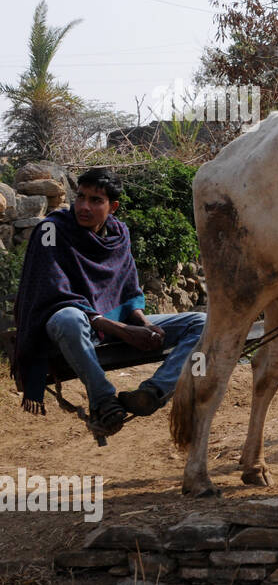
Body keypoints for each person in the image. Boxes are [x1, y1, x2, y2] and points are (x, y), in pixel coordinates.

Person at [11, 167, 206, 435]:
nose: (84, 206)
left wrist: (144, 323)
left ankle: (154, 392)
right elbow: (53, 293)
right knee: (68, 319)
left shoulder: (119, 234)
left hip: (114, 324)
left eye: (95, 200)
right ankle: (103, 402)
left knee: (202, 322)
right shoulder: (51, 230)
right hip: (71, 327)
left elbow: (128, 289)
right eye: (80, 197)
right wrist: (124, 331)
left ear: (112, 207)